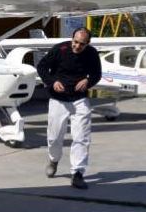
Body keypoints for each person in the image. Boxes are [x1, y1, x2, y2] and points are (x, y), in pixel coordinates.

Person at [36, 27, 102, 189]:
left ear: (88, 44)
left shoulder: (92, 54)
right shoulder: (60, 49)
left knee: (81, 137)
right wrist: (52, 81)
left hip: (80, 100)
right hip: (58, 99)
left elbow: (96, 74)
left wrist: (88, 81)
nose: (77, 46)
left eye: (82, 44)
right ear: (71, 39)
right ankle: (54, 160)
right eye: (75, 42)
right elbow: (42, 67)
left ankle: (77, 173)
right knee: (54, 136)